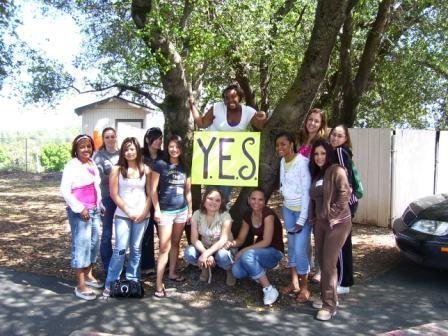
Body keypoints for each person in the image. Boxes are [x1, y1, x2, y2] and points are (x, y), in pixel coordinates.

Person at [188, 84, 267, 205]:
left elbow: (261, 126)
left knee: (224, 194)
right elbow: (201, 123)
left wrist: (263, 118)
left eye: (233, 96)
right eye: (226, 97)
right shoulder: (216, 108)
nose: (230, 100)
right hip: (212, 157)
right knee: (210, 193)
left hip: (231, 162)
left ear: (240, 97)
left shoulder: (248, 111)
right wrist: (192, 105)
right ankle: (206, 220)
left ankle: (222, 220)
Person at [308, 139, 352, 321]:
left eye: (323, 153)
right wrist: (315, 217)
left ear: (329, 154)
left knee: (328, 263)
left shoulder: (337, 170)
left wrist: (331, 214)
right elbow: (315, 199)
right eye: (316, 154)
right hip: (321, 223)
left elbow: (345, 194)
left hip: (338, 222)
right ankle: (327, 296)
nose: (319, 157)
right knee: (321, 260)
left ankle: (329, 305)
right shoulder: (318, 174)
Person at [102, 137, 152, 297]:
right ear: (123, 152)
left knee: (136, 249)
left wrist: (144, 212)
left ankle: (133, 281)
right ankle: (111, 283)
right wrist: (128, 211)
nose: (129, 152)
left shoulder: (146, 169)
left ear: (137, 150)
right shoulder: (117, 169)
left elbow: (151, 194)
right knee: (120, 249)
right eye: (126, 149)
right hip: (123, 215)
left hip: (142, 215)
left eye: (132, 149)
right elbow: (113, 194)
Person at [60, 134, 103, 300]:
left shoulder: (92, 163)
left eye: (89, 146)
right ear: (76, 150)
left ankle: (89, 275)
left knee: (94, 243)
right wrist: (79, 208)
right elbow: (65, 190)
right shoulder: (72, 166)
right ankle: (80, 284)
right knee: (81, 245)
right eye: (82, 147)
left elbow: (96, 187)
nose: (86, 149)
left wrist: (100, 205)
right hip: (80, 212)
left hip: (94, 209)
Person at [224, 189, 284, 306]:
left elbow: (266, 242)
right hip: (259, 252)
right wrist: (231, 243)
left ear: (264, 201)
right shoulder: (248, 216)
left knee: (247, 255)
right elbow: (241, 239)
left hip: (274, 251)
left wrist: (242, 251)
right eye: (253, 199)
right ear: (248, 200)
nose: (256, 202)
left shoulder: (268, 215)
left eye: (260, 199)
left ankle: (269, 289)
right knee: (237, 271)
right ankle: (259, 270)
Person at [151, 135, 192, 298]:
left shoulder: (184, 167)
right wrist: (157, 210)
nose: (174, 149)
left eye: (177, 147)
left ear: (181, 150)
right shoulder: (160, 165)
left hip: (181, 210)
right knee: (164, 247)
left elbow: (187, 191)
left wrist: (189, 210)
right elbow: (153, 190)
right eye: (171, 146)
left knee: (175, 242)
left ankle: (172, 273)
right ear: (167, 147)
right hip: (166, 211)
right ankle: (159, 283)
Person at [275, 132, 312, 303]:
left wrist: (302, 219)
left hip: (301, 212)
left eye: (283, 144)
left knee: (300, 249)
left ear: (292, 144)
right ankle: (294, 282)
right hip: (288, 209)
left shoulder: (302, 162)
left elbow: (306, 191)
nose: (280, 148)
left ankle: (305, 288)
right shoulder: (283, 161)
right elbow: (284, 183)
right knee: (291, 247)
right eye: (278, 145)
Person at [297, 108, 327, 284]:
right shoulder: (300, 138)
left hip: (314, 192)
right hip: (300, 192)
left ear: (321, 124)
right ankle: (305, 267)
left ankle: (321, 268)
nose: (312, 123)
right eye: (310, 119)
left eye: (316, 121)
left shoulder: (321, 142)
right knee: (304, 231)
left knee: (318, 231)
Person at [184, 188, 235, 286]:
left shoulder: (225, 216)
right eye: (210, 199)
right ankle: (206, 267)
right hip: (206, 246)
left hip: (223, 248)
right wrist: (206, 253)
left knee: (222, 256)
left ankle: (229, 269)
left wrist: (206, 254)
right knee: (189, 252)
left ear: (221, 203)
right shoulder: (197, 214)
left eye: (217, 200)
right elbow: (194, 239)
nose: (213, 202)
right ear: (204, 200)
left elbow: (223, 240)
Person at [329, 124, 358, 295]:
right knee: (343, 243)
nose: (335, 138)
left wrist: (339, 206)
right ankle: (344, 279)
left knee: (340, 244)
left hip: (343, 204)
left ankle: (343, 282)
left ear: (345, 139)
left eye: (340, 136)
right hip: (345, 203)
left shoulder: (339, 152)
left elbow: (343, 182)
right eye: (333, 135)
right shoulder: (339, 152)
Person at [92, 127, 119, 275]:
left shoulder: (122, 153)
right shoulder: (98, 156)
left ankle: (121, 262)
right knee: (107, 232)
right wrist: (115, 175)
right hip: (107, 197)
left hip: (122, 197)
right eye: (107, 137)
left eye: (112, 136)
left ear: (116, 137)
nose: (110, 139)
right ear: (103, 139)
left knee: (123, 232)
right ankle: (107, 264)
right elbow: (99, 178)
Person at [140, 127, 164, 277]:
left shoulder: (164, 155)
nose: (159, 141)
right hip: (144, 198)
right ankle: (147, 265)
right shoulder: (141, 155)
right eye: (156, 138)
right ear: (148, 140)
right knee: (147, 233)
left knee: (164, 233)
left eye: (160, 138)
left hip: (163, 199)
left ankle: (165, 264)